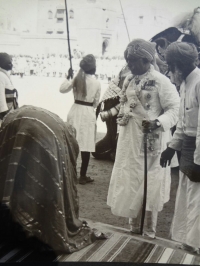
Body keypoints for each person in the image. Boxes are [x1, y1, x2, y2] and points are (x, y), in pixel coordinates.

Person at [0, 105, 106, 254]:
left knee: (27, 176)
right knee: (44, 180)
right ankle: (38, 225)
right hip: (40, 131)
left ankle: (25, 223)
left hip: (25, 127)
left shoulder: (10, 125)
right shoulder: (64, 135)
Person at [107, 39, 180, 238]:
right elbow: (125, 105)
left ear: (146, 60)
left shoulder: (161, 81)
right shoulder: (129, 79)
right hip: (130, 140)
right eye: (127, 60)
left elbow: (175, 109)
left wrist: (158, 122)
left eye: (132, 61)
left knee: (151, 182)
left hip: (152, 140)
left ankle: (149, 231)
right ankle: (133, 228)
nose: (129, 65)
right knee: (131, 179)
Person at [160, 42, 200, 253]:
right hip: (187, 147)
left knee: (198, 198)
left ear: (179, 65)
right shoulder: (185, 83)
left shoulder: (199, 82)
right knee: (186, 195)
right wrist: (172, 147)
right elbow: (184, 122)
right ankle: (188, 241)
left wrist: (198, 160)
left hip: (198, 150)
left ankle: (197, 244)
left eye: (170, 66)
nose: (168, 71)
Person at [60, 54, 101, 184]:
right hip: (88, 112)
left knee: (73, 141)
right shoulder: (96, 82)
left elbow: (62, 89)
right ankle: (83, 175)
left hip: (75, 110)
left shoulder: (76, 79)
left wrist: (68, 77)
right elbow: (96, 102)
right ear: (93, 68)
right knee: (87, 144)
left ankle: (70, 173)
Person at [0, 53, 18, 126]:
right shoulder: (1, 75)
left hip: (9, 109)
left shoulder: (4, 74)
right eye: (9, 62)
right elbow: (0, 96)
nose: (11, 64)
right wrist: (4, 113)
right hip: (3, 113)